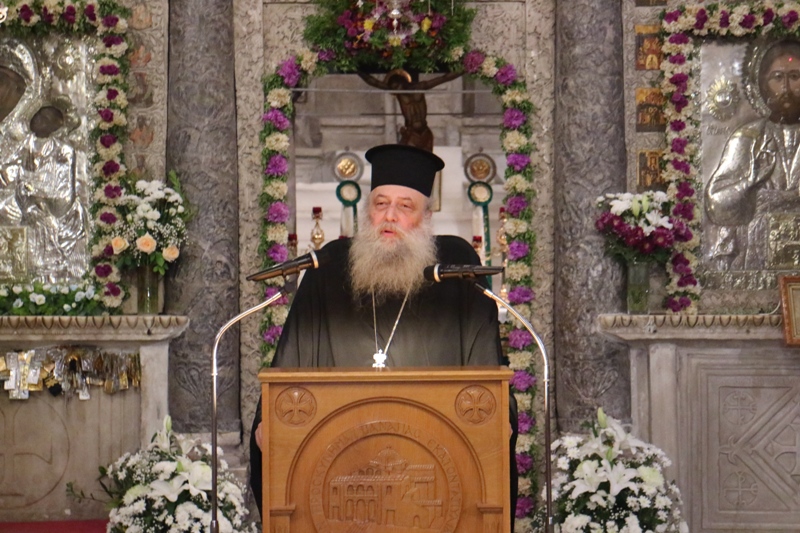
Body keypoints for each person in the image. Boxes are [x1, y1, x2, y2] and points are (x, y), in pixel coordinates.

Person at [249, 143, 517, 526]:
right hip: (337, 465)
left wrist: (499, 419)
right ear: (368, 211)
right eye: (380, 204)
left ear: (426, 217)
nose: (390, 216)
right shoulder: (328, 271)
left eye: (405, 206)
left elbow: (488, 376)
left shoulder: (456, 275)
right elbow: (286, 373)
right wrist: (269, 423)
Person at [705, 39, 800, 270]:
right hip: (758, 250)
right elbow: (716, 204)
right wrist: (749, 182)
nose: (786, 88)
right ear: (763, 84)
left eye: (795, 77)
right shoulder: (747, 137)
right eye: (777, 77)